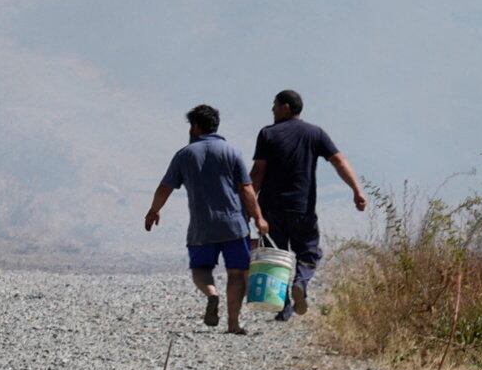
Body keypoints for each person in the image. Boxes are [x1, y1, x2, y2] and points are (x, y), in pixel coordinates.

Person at [145, 104, 269, 334]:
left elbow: (165, 187)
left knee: (201, 269)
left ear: (195, 127)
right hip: (234, 225)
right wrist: (259, 218)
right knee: (236, 272)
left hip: (202, 227)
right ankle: (233, 324)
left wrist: (153, 210)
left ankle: (212, 293)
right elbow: (246, 189)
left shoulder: (185, 155)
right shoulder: (231, 152)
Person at [251, 89, 366, 321]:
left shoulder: (267, 134)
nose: (272, 109)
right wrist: (356, 190)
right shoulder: (315, 133)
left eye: (275, 104)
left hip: (271, 209)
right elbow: (339, 161)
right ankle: (301, 283)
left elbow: (258, 172)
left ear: (286, 107)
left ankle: (283, 307)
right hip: (301, 208)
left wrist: (249, 204)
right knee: (308, 252)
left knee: (277, 256)